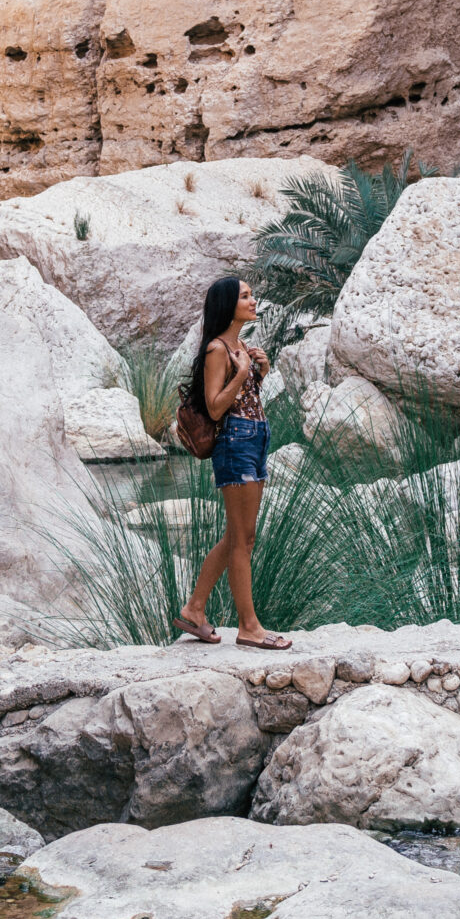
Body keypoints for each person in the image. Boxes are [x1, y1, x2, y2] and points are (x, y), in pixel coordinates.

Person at [175, 275, 292, 651]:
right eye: (246, 296)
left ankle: (195, 608)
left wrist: (259, 372)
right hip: (236, 442)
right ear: (228, 304)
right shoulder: (216, 350)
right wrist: (242, 372)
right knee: (241, 540)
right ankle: (249, 627)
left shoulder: (239, 345)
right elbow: (214, 405)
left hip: (255, 438)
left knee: (241, 537)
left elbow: (243, 396)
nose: (253, 300)